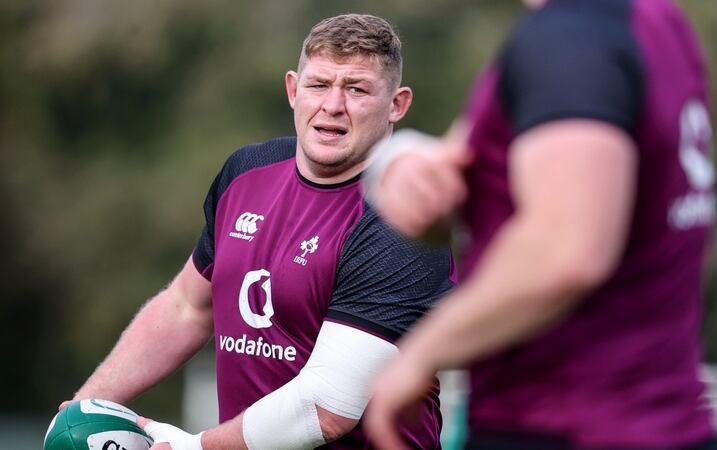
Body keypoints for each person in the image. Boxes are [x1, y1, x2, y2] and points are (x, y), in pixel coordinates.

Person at [62, 14, 455, 450]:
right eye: (319, 84)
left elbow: (325, 410)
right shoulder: (246, 171)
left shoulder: (403, 220)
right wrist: (87, 406)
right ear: (293, 89)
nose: (333, 104)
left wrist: (195, 446)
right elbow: (187, 307)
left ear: (397, 104)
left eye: (357, 89)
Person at [363, 0, 717, 449]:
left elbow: (566, 252)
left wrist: (421, 354)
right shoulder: (651, 21)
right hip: (668, 424)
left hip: (564, 425)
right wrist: (401, 165)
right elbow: (472, 164)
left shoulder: (570, 37)